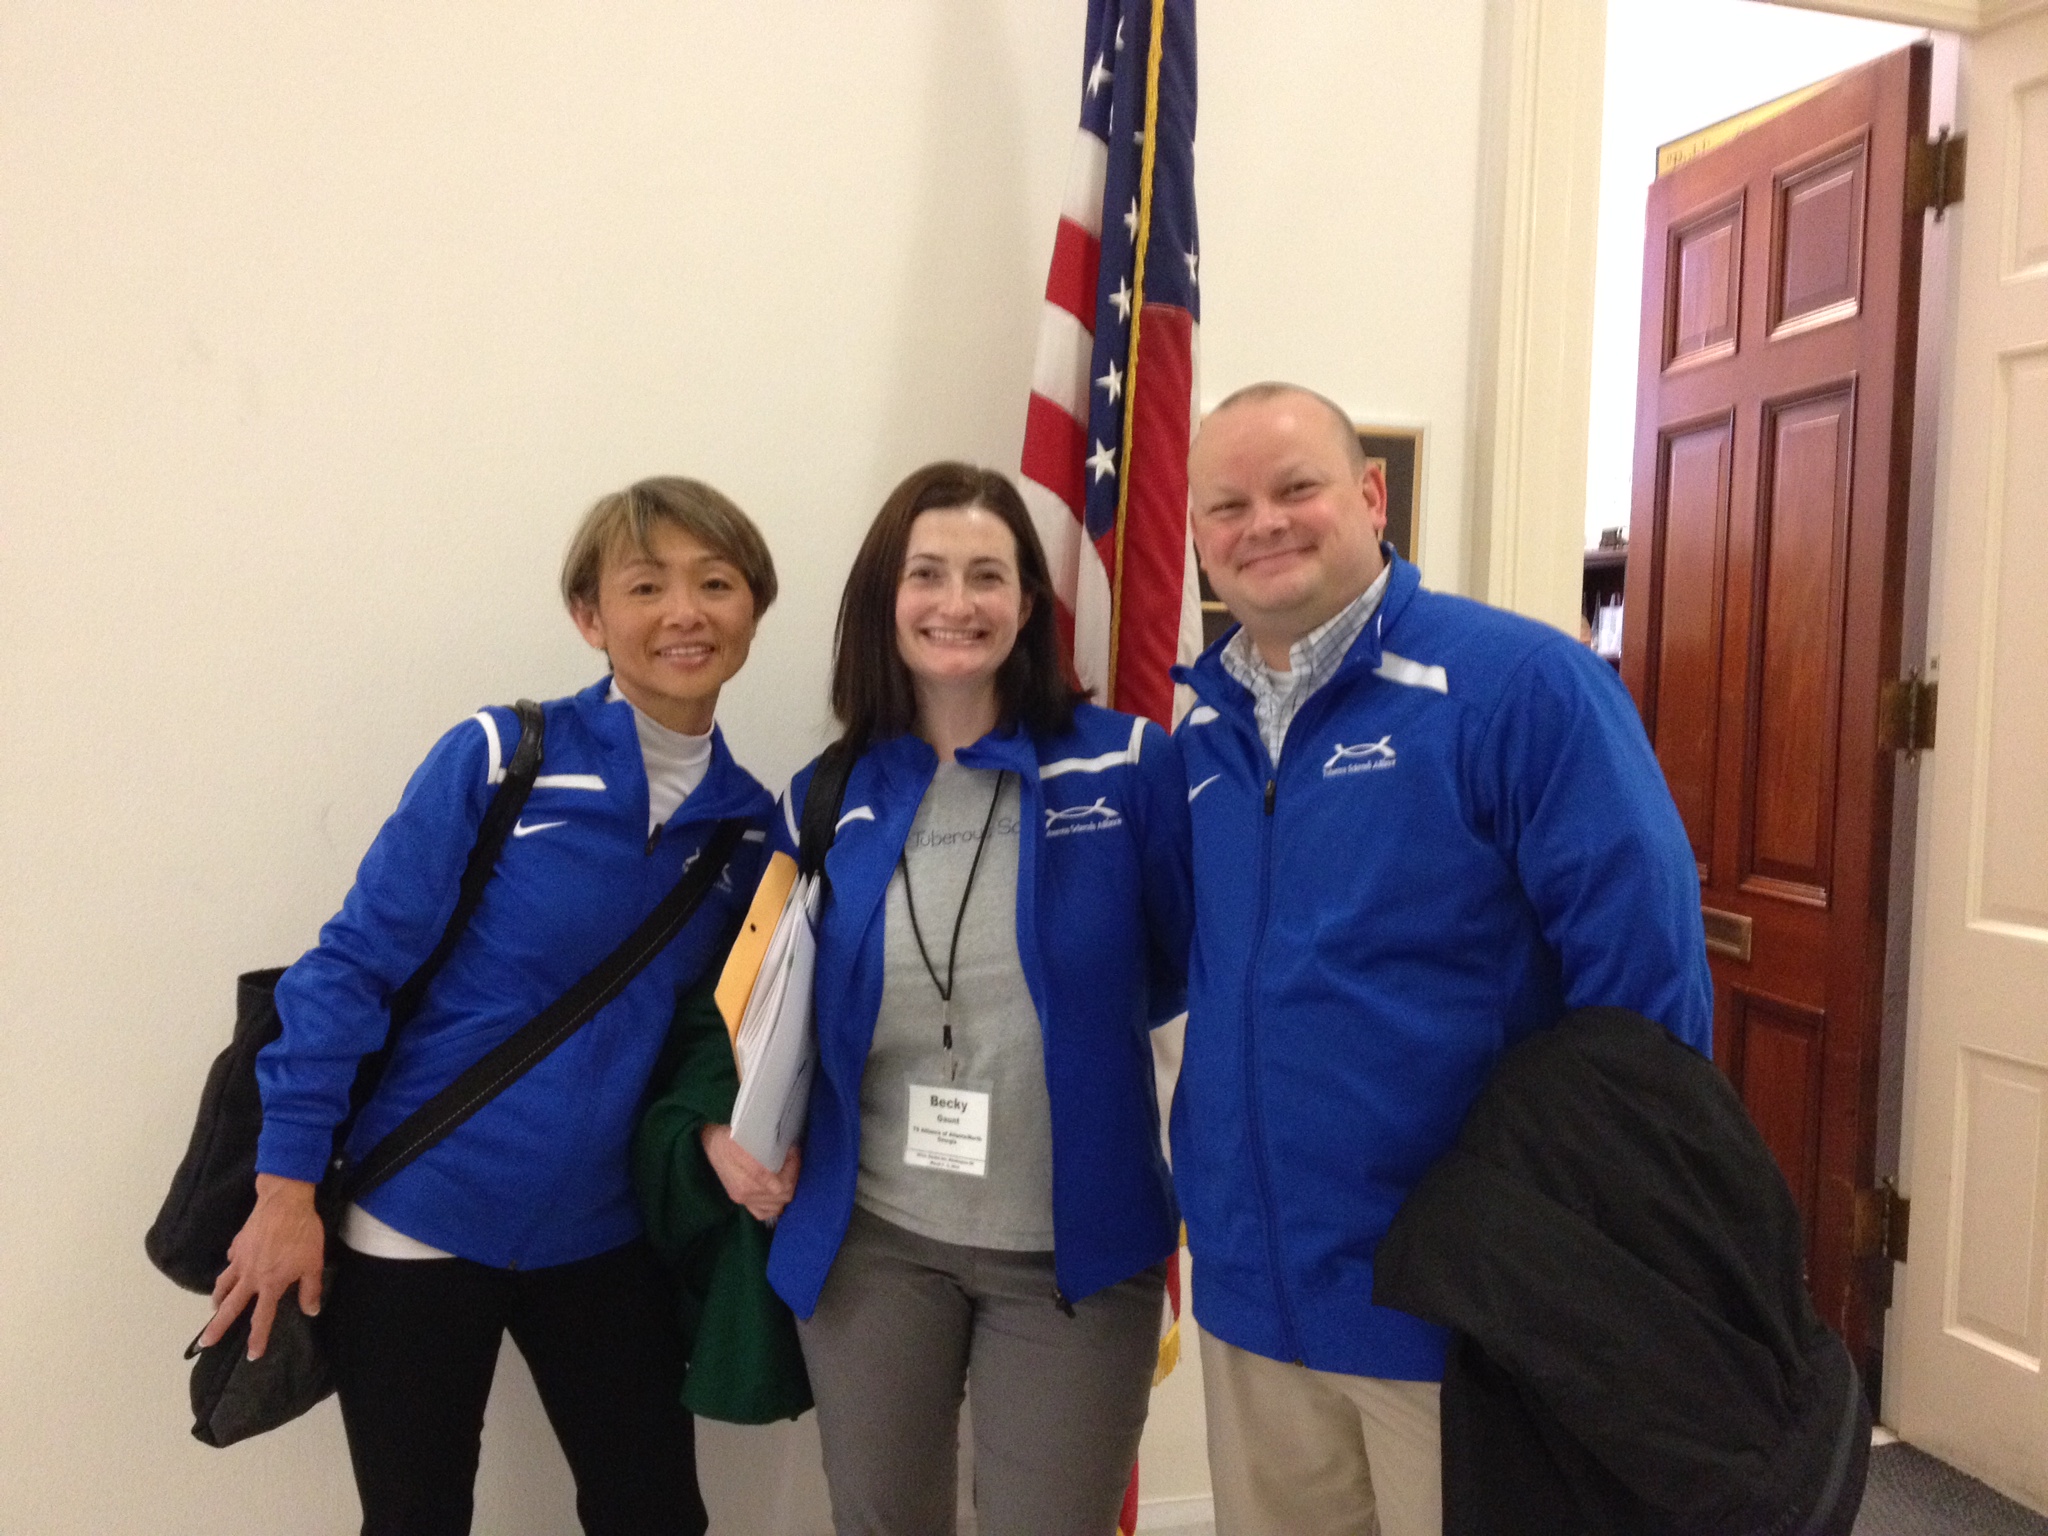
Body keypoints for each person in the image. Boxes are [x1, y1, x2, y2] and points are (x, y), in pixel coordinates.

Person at [1171, 383, 1713, 1536]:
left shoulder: (1521, 688)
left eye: (1295, 488)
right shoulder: (1201, 734)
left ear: (1370, 496)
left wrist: (1592, 1253)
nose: (1261, 523)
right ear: (1197, 535)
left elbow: (1645, 995)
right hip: (1254, 1298)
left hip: (1461, 1311)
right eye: (1226, 505)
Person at [199, 476, 781, 1536]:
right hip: (417, 1216)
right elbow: (348, 969)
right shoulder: (501, 756)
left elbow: (724, 1038)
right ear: (590, 617)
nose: (684, 613)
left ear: (752, 608)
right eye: (645, 586)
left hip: (603, 1236)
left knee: (655, 1515)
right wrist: (284, 1192)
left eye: (715, 583)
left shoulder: (751, 833)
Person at [694, 461, 1191, 1536]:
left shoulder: (1125, 768)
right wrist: (720, 1132)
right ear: (886, 598)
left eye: (986, 575)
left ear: (1028, 602)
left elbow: (1182, 969)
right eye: (926, 574)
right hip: (874, 1242)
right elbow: (745, 1001)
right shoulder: (824, 794)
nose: (955, 603)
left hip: (1071, 1255)